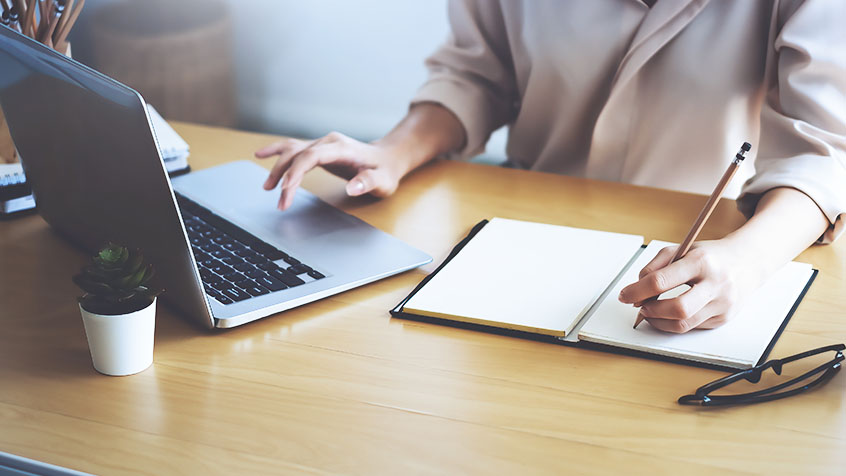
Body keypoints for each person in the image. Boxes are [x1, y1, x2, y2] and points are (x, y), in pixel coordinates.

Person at [254, 0, 846, 333]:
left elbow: (826, 148)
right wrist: (394, 151)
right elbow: (477, 74)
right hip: (519, 240)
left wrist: (746, 261)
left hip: (693, 248)